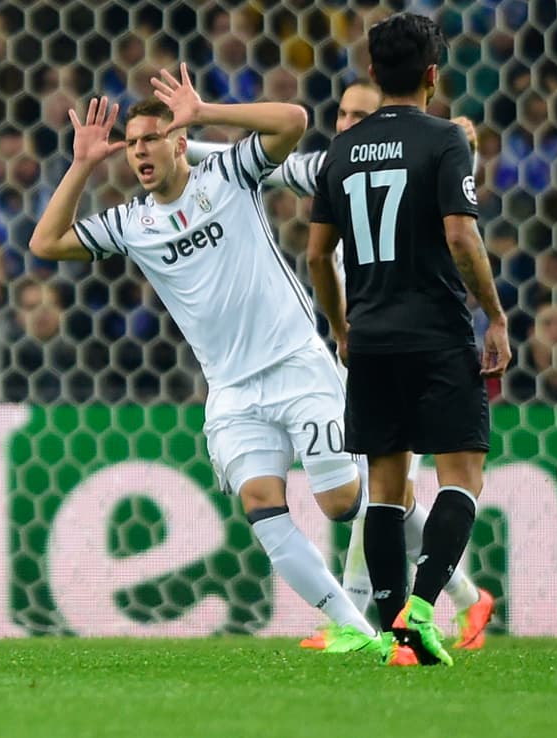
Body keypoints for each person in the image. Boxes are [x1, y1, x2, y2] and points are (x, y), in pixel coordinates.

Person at [28, 78, 385, 655]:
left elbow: (293, 121)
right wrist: (83, 164)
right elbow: (46, 243)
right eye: (132, 143)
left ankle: (408, 507)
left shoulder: (229, 175)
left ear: (179, 143)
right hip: (233, 392)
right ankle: (356, 630)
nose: (139, 151)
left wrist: (206, 110)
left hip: (295, 363)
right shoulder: (132, 224)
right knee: (261, 505)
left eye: (151, 138)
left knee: (342, 504)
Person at [187, 81, 497, 652]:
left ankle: (362, 617)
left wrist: (469, 158)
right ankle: (463, 596)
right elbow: (259, 165)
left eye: (361, 113)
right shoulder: (334, 163)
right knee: (381, 490)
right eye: (343, 113)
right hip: (356, 342)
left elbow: (451, 213)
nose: (349, 123)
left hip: (406, 339)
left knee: (375, 490)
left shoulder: (408, 155)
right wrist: (180, 147)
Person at [307, 13, 510, 666]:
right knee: (463, 475)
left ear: (372, 72)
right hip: (436, 333)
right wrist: (495, 315)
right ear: (432, 75)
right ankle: (421, 611)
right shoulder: (445, 139)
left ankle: (397, 633)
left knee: (386, 491)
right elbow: (460, 235)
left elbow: (317, 255)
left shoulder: (340, 151)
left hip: (369, 339)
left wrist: (342, 327)